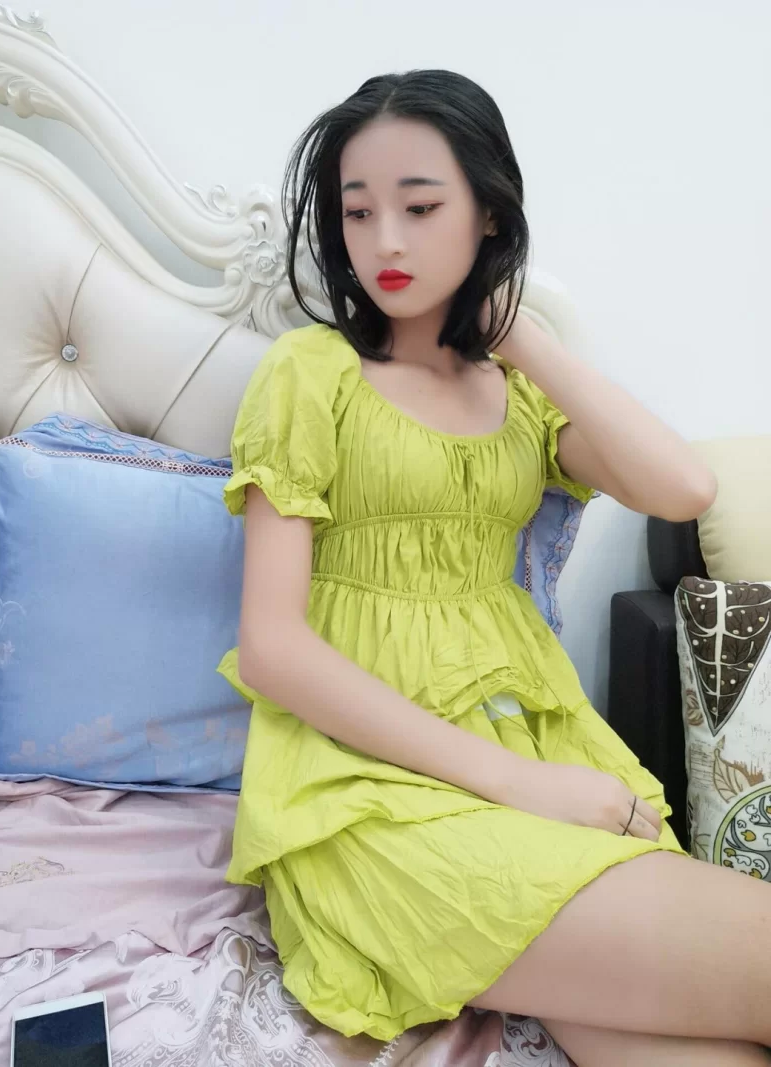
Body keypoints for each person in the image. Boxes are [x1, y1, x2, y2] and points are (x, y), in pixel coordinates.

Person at [217, 70, 771, 1066]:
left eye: (420, 207)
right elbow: (273, 647)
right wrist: (521, 784)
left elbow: (685, 488)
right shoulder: (309, 373)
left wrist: (521, 338)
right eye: (357, 211)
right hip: (371, 790)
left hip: (541, 751)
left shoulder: (519, 395)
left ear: (487, 214)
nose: (384, 242)